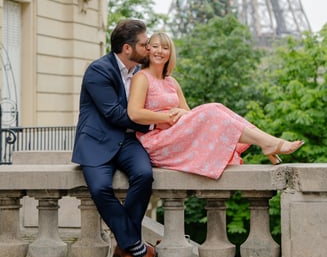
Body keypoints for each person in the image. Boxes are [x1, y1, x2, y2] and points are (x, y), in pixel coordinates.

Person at [127, 32, 305, 180]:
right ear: (148, 50)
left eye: (165, 48)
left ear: (170, 53)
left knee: (216, 107)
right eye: (156, 46)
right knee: (212, 110)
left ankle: (268, 142)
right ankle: (269, 143)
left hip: (176, 134)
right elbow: (134, 113)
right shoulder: (142, 77)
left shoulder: (171, 81)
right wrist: (166, 117)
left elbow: (191, 115)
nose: (160, 51)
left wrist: (181, 112)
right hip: (158, 141)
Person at [72, 19, 159, 257]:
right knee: (99, 189)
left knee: (144, 175)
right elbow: (114, 114)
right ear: (127, 48)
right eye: (144, 44)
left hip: (127, 140)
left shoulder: (143, 73)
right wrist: (156, 122)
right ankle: (141, 250)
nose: (148, 47)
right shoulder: (98, 71)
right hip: (97, 142)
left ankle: (125, 246)